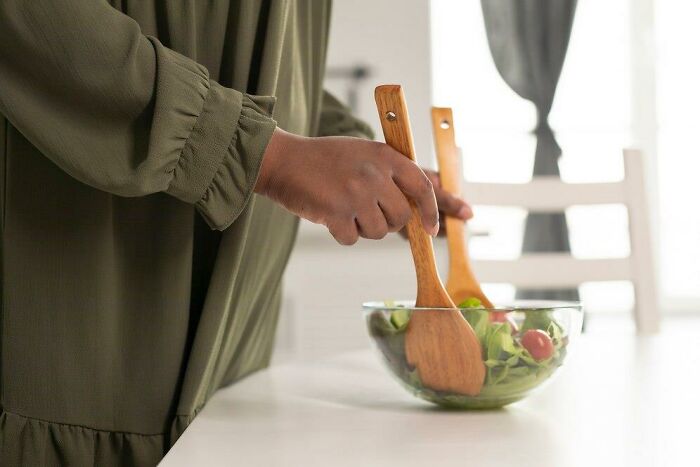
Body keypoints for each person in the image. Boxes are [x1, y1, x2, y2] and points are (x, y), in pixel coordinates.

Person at [0, 1, 472, 465]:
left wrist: (362, 170)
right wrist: (269, 156)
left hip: (235, 363)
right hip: (82, 335)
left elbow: (268, 52)